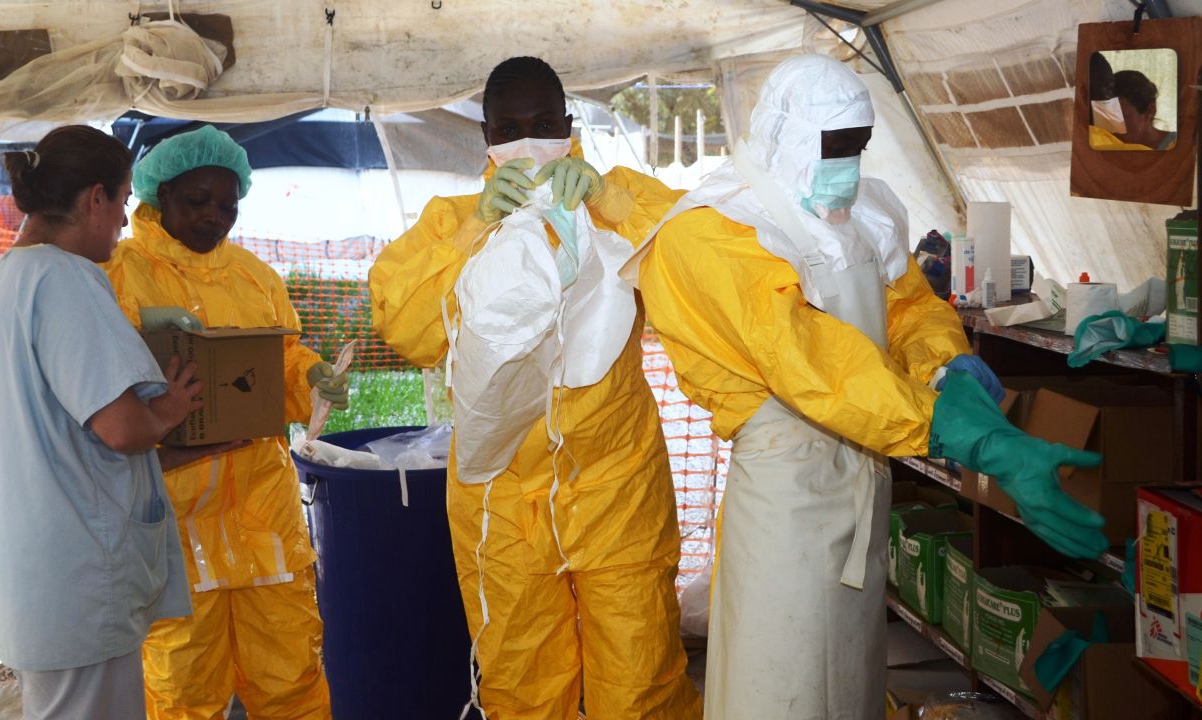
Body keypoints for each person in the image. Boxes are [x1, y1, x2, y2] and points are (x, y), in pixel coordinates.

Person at [626, 54, 1108, 720]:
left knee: (849, 679)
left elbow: (909, 306)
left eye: (859, 146)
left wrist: (947, 369)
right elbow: (816, 363)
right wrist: (969, 438)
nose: (849, 165)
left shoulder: (862, 215)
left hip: (864, 483)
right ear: (785, 139)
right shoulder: (707, 234)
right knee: (783, 685)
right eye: (835, 148)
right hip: (786, 500)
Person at [370, 56, 702, 719]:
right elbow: (411, 329)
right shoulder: (449, 220)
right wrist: (474, 233)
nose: (529, 141)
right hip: (501, 499)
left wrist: (611, 201)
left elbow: (696, 262)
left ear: (569, 125)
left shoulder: (617, 197)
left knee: (639, 679)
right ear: (486, 137)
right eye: (512, 127)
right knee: (523, 683)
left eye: (545, 123)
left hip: (616, 487)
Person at [0, 125, 234, 719]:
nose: (126, 220)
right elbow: (122, 428)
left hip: (24, 562)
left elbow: (52, 438)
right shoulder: (68, 278)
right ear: (94, 199)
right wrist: (175, 405)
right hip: (76, 572)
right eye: (125, 201)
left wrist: (190, 450)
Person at [103, 125, 344, 719]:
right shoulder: (120, 271)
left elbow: (283, 354)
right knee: (184, 690)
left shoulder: (255, 275)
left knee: (290, 675)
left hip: (265, 518)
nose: (215, 216)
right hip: (176, 521)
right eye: (198, 201)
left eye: (228, 206)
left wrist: (309, 376)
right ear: (160, 199)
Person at [1114, 69, 1177, 151]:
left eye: (1119, 117)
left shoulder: (1183, 147)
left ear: (1150, 112)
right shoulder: (1100, 145)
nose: (1109, 128)